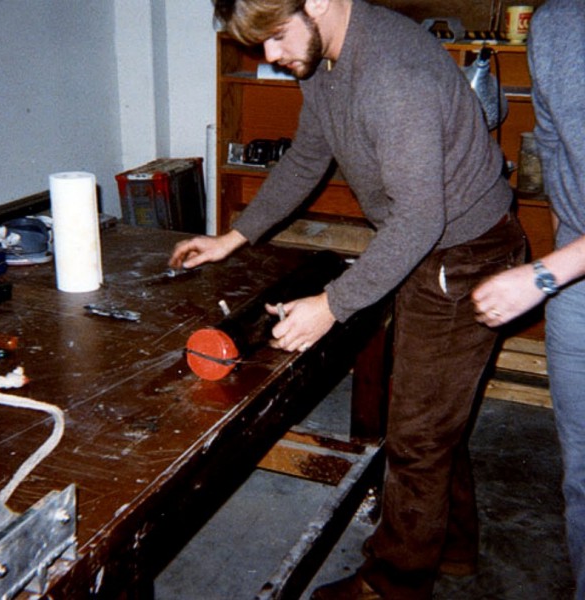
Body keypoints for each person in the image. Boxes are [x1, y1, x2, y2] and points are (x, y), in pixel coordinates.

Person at [170, 1, 526, 597]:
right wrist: (232, 237)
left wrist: (332, 305)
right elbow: (309, 156)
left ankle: (392, 586)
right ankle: (455, 549)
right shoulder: (330, 61)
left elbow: (418, 219)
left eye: (276, 38)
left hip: (464, 255)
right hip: (430, 246)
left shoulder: (392, 74)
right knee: (432, 413)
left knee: (415, 437)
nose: (272, 59)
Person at [472, 1, 585, 596]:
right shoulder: (553, 25)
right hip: (578, 283)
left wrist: (541, 277)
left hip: (562, 273)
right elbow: (559, 155)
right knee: (583, 482)